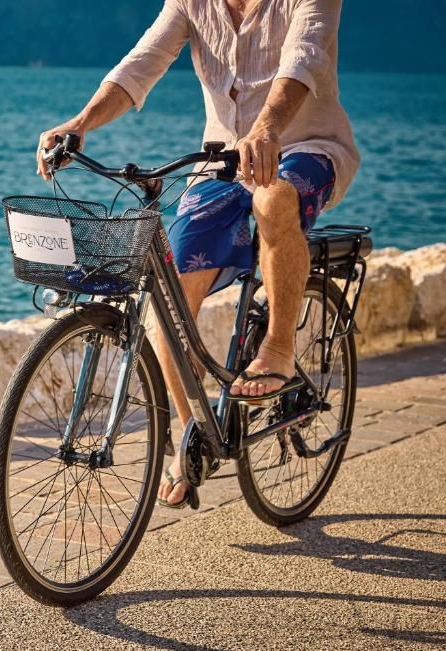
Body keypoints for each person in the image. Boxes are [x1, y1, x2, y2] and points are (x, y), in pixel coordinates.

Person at [35, 0, 359, 508]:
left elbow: (304, 58)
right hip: (221, 159)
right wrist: (80, 123)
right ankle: (191, 438)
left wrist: (268, 127)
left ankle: (276, 348)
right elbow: (142, 64)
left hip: (306, 147)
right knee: (169, 289)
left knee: (274, 198)